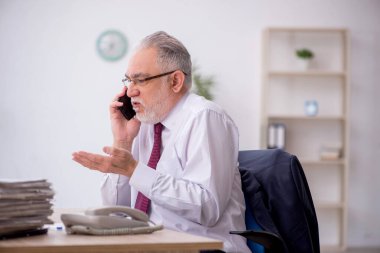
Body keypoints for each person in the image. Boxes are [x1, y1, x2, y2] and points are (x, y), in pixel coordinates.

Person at [72, 31, 250, 253]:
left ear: (175, 81)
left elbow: (207, 208)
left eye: (141, 79)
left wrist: (134, 170)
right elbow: (117, 212)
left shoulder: (205, 117)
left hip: (204, 249)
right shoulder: (145, 124)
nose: (130, 90)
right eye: (128, 80)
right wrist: (123, 141)